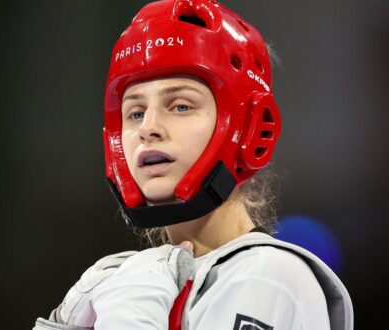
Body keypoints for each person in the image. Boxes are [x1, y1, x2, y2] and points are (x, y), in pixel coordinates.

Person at [34, 0, 353, 329]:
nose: (148, 128)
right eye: (135, 112)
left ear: (247, 127)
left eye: (181, 106)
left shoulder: (270, 278)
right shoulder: (132, 282)